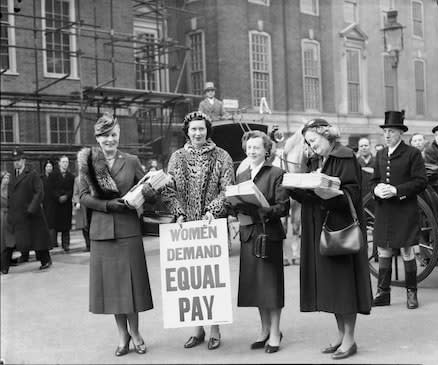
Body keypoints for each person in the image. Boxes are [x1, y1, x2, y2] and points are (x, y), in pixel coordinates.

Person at [288, 119, 372, 360]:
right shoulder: (317, 160)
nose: (311, 146)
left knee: (344, 284)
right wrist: (296, 189)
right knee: (332, 285)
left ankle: (350, 339)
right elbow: (313, 196)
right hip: (320, 226)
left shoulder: (344, 157)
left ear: (327, 136)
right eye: (308, 142)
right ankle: (339, 334)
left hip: (339, 228)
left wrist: (327, 192)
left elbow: (352, 195)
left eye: (313, 141)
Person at [78, 112, 156, 357]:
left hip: (128, 230)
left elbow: (144, 185)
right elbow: (82, 196)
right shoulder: (89, 162)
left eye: (113, 135)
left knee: (130, 287)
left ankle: (136, 333)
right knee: (113, 289)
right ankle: (122, 336)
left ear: (118, 136)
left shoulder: (131, 160)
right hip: (102, 233)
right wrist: (106, 205)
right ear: (97, 138)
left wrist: (150, 192)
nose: (109, 140)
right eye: (104, 135)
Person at [161, 110, 234, 350]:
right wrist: (179, 212)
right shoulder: (177, 157)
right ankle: (197, 329)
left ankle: (215, 329)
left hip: (211, 225)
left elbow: (228, 190)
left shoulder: (222, 156)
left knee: (212, 279)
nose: (197, 133)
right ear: (187, 131)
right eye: (193, 129)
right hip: (186, 227)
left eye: (201, 128)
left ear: (207, 130)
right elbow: (168, 189)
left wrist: (214, 209)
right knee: (191, 281)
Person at [232, 130, 290, 353]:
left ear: (267, 150)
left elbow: (283, 207)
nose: (252, 151)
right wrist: (233, 205)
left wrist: (263, 209)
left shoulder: (277, 173)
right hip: (248, 234)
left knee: (271, 286)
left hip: (269, 235)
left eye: (256, 147)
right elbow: (237, 200)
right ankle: (264, 329)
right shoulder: (242, 174)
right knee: (256, 286)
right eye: (249, 147)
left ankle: (275, 332)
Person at [370, 111, 427, 309]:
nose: (387, 135)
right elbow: (374, 180)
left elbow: (421, 182)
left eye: (391, 131)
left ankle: (411, 293)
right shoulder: (380, 154)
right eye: (385, 131)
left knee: (406, 250)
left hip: (404, 209)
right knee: (383, 249)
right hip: (384, 210)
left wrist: (397, 190)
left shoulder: (412, 153)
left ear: (400, 133)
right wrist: (376, 189)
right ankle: (383, 293)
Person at [6, 148, 52, 271]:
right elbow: (10, 194)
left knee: (38, 239)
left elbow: (39, 192)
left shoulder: (32, 174)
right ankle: (24, 256)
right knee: (23, 238)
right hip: (18, 213)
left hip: (32, 214)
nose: (16, 162)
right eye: (14, 160)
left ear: (24, 160)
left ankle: (45, 259)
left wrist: (32, 208)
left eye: (18, 160)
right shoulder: (12, 175)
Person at [50, 155, 75, 252]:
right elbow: (51, 189)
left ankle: (66, 244)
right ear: (59, 163)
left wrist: (66, 196)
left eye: (67, 162)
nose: (65, 164)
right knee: (55, 223)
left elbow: (72, 189)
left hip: (66, 203)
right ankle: (53, 242)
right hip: (56, 203)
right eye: (63, 162)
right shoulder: (53, 175)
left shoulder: (71, 176)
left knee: (66, 226)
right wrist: (58, 197)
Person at [1, 171, 17, 274]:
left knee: (10, 242)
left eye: (8, 178)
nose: (7, 180)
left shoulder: (12, 190)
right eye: (5, 178)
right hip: (1, 218)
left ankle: (5, 266)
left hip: (10, 217)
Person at [40, 160, 57, 248]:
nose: (49, 168)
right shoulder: (41, 177)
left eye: (50, 166)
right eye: (47, 166)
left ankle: (53, 242)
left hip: (54, 202)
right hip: (44, 202)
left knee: (52, 223)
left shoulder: (55, 177)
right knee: (45, 222)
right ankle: (46, 242)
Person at [73, 174, 91, 252]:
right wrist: (77, 202)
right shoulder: (77, 179)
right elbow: (75, 193)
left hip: (91, 203)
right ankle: (88, 245)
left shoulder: (91, 177)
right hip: (82, 205)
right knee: (84, 226)